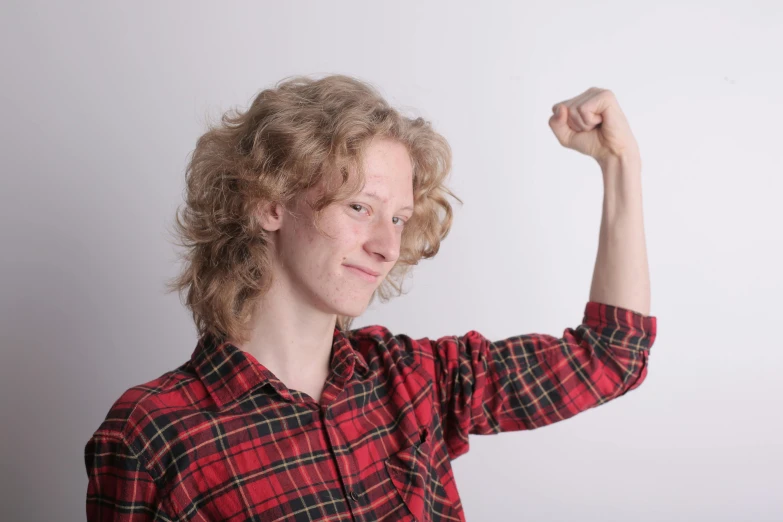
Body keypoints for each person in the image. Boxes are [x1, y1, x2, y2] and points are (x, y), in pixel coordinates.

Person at [84, 75, 657, 521]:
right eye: (359, 207)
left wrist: (619, 164)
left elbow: (612, 356)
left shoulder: (414, 381)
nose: (387, 246)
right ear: (269, 202)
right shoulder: (153, 435)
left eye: (400, 219)